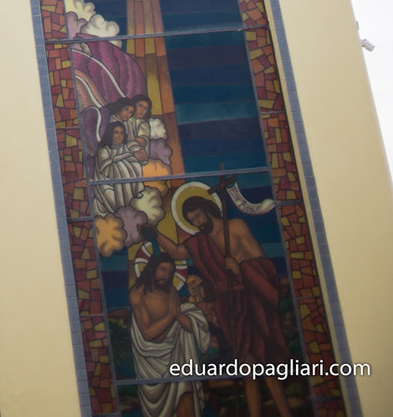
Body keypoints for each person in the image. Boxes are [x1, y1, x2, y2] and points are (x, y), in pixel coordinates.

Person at [158, 194, 292, 416]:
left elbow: (263, 263)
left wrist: (241, 268)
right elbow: (177, 252)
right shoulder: (201, 242)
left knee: (265, 361)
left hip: (250, 301)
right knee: (247, 366)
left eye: (198, 216)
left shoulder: (236, 227)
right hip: (227, 306)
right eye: (192, 220)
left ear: (207, 209)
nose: (197, 223)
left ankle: (286, 413)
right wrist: (155, 234)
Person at [129, 254, 209, 417]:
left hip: (175, 354)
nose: (166, 276)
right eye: (163, 270)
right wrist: (172, 315)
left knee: (185, 392)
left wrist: (180, 315)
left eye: (170, 273)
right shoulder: (138, 294)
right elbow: (147, 333)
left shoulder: (171, 292)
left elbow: (189, 326)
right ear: (153, 269)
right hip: (149, 362)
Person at [92, 120, 146, 217]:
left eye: (121, 133)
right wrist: (123, 161)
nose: (119, 136)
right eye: (116, 132)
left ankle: (132, 200)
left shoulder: (124, 148)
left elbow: (134, 162)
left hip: (128, 183)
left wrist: (126, 160)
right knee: (122, 170)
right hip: (108, 184)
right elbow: (107, 169)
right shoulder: (104, 150)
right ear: (110, 134)